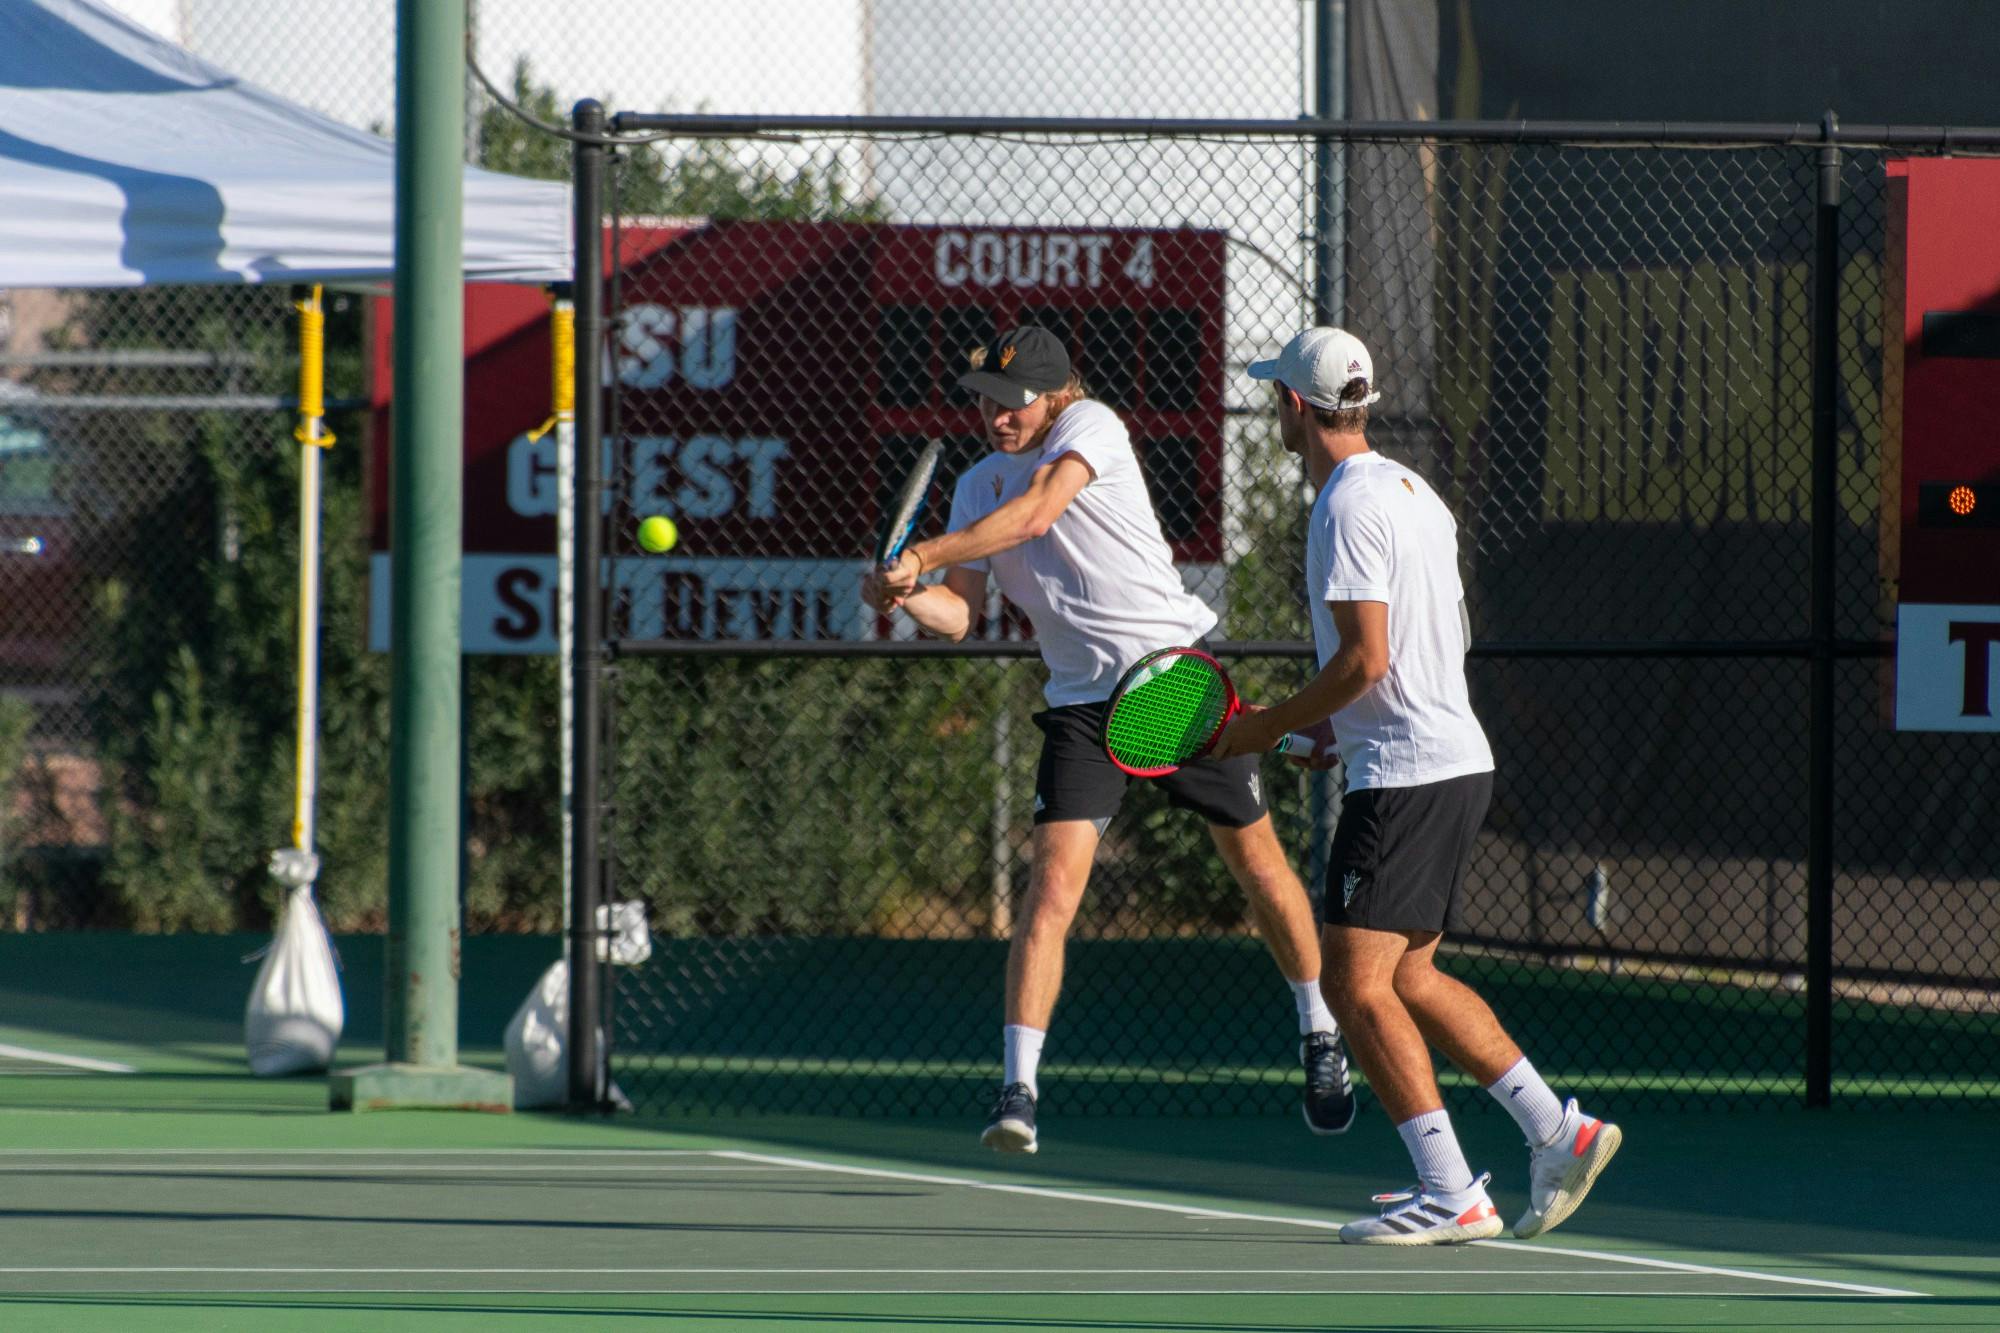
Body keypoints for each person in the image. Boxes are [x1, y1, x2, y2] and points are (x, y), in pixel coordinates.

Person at [863, 324, 1354, 1154]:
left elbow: (1037, 515)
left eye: (1012, 404)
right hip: (1082, 706)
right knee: (1049, 890)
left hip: (1168, 680)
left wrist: (923, 552)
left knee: (1259, 868)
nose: (996, 419)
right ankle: (1018, 1087)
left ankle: (1320, 1032)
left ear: (1057, 395)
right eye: (985, 402)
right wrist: (905, 595)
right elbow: (960, 614)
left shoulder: (1094, 428)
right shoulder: (976, 484)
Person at [1212, 327, 1622, 1244]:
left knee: (1355, 987)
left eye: (1276, 393)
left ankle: (1450, 1189)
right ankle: (1561, 1130)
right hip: (1446, 758)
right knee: (1410, 974)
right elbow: (1422, 651)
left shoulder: (1344, 507)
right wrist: (1334, 727)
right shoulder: (1412, 492)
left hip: (1406, 777)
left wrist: (1265, 725)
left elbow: (1366, 655)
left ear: (1292, 407)